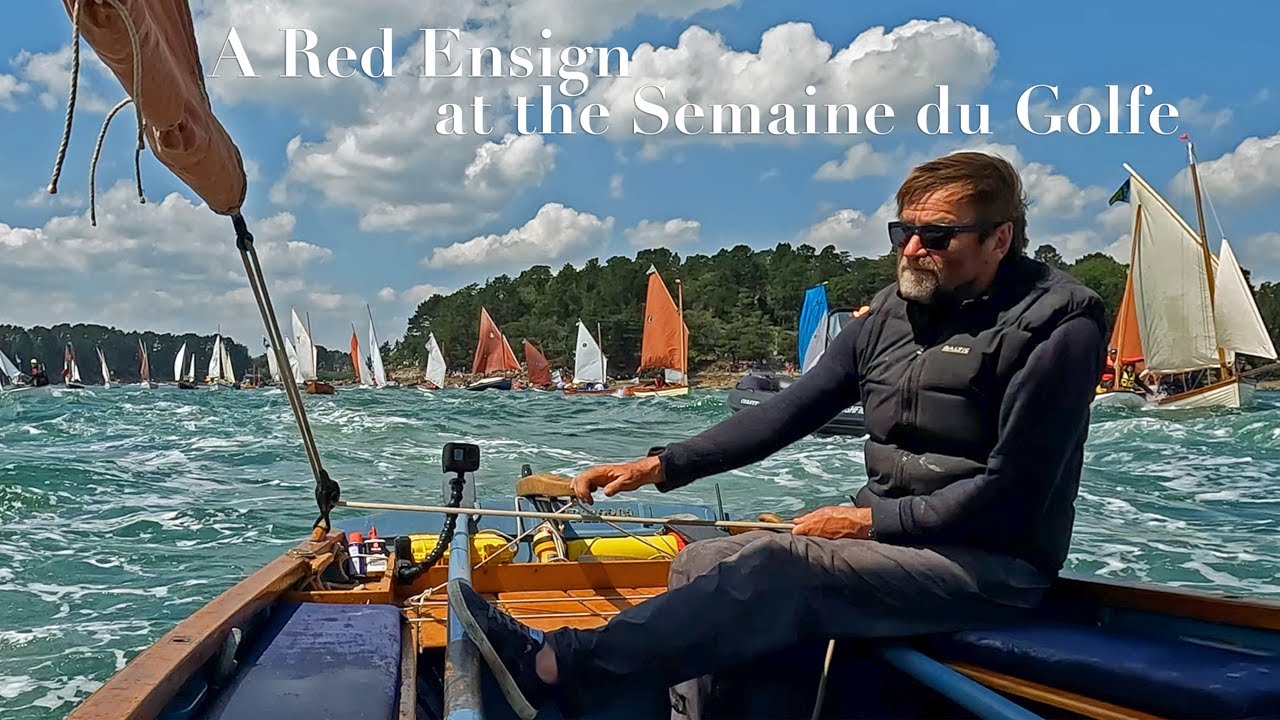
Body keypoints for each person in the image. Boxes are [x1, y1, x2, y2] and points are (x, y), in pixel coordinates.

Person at [447, 152, 1109, 720]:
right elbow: (787, 413)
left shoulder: (1056, 324)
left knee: (779, 568)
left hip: (991, 564)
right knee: (699, 561)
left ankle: (557, 666)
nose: (912, 250)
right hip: (901, 548)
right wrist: (658, 467)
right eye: (902, 231)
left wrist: (867, 523)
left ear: (1000, 239)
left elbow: (1014, 489)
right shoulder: (889, 316)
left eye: (937, 237)